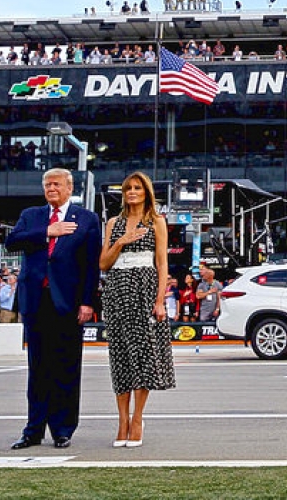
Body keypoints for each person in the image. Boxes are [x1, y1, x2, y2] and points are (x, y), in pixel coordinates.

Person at [4, 168, 102, 450]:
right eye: (47, 185)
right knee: (38, 369)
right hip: (36, 301)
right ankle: (33, 430)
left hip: (69, 303)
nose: (51, 189)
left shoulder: (86, 219)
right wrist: (48, 232)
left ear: (70, 188)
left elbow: (90, 265)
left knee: (67, 367)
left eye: (57, 184)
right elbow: (12, 241)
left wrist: (87, 302)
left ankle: (62, 429)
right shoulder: (31, 216)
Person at [99, 172, 175, 449]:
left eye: (137, 188)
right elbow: (103, 264)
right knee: (120, 356)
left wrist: (159, 300)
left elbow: (162, 263)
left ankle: (137, 419)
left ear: (146, 193)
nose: (132, 192)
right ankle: (121, 420)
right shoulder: (113, 223)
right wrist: (123, 240)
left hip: (145, 289)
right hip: (118, 290)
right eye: (128, 188)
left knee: (143, 356)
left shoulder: (156, 221)